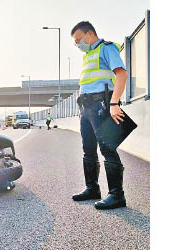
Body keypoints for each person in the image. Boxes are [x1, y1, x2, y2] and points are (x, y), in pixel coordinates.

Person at [70, 21, 128, 210]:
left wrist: (114, 103)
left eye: (79, 40)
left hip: (102, 104)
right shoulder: (88, 56)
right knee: (88, 148)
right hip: (86, 107)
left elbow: (121, 75)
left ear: (90, 34)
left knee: (107, 148)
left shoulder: (107, 48)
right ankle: (92, 188)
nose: (77, 44)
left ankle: (117, 195)